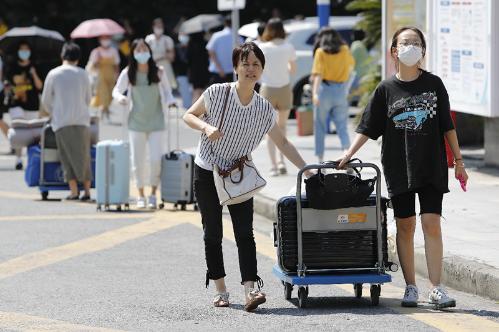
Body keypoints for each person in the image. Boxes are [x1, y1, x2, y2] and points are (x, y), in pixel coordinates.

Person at [337, 26, 469, 309]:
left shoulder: (434, 84)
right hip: (399, 166)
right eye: (405, 42)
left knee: (431, 223)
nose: (412, 47)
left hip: (432, 165)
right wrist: (348, 153)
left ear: (423, 50)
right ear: (394, 51)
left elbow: (447, 124)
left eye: (417, 42)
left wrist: (459, 161)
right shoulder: (386, 89)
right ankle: (411, 287)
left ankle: (437, 288)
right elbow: (368, 127)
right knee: (405, 225)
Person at [183, 42, 312, 311]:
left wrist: (306, 169)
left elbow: (284, 144)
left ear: (262, 69)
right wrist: (206, 127)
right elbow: (189, 115)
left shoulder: (264, 109)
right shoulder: (217, 92)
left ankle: (251, 290)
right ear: (235, 68)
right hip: (207, 170)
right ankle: (220, 290)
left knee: (245, 233)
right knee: (212, 234)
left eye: (256, 64)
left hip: (238, 174)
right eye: (246, 64)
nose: (250, 69)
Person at [113, 39, 176, 209]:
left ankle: (153, 193)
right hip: (136, 123)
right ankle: (140, 194)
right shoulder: (128, 72)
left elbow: (168, 93)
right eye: (138, 50)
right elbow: (116, 90)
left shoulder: (159, 72)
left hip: (157, 122)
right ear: (133, 53)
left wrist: (171, 102)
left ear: (149, 51)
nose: (142, 52)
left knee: (156, 159)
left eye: (144, 49)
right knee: (137, 160)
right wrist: (121, 98)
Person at [41, 42, 92, 201]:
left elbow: (46, 100)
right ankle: (87, 191)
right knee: (84, 156)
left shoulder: (54, 74)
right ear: (78, 57)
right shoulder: (83, 74)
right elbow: (88, 98)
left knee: (66, 156)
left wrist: (53, 111)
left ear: (62, 56)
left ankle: (74, 191)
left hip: (61, 121)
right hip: (81, 120)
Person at [259, 18, 296, 177]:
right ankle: (282, 161)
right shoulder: (289, 47)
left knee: (269, 129)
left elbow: (259, 70)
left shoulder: (263, 47)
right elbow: (292, 70)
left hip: (267, 89)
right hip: (284, 89)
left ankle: (274, 166)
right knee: (283, 128)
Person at [311, 27, 355, 163]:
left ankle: (320, 159)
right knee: (342, 126)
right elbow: (351, 68)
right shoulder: (345, 50)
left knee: (320, 126)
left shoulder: (320, 52)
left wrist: (314, 93)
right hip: (340, 91)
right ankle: (346, 155)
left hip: (324, 90)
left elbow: (318, 75)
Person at [5, 41, 43, 169]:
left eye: (27, 49)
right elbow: (7, 83)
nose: (24, 52)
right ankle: (18, 159)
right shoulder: (11, 67)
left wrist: (33, 73)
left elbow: (40, 86)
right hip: (16, 102)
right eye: (22, 49)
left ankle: (32, 158)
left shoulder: (35, 66)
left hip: (32, 104)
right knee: (19, 130)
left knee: (32, 134)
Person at [86, 35, 120, 119]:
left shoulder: (113, 51)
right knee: (103, 93)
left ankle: (106, 110)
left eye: (107, 38)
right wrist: (97, 60)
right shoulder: (96, 52)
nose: (105, 40)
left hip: (111, 76)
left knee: (110, 95)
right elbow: (92, 66)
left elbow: (116, 65)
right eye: (103, 38)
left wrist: (117, 76)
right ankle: (103, 111)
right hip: (100, 76)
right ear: (100, 40)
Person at [206, 17, 242, 84]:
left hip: (218, 72)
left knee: (216, 93)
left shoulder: (216, 36)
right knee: (232, 93)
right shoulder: (238, 36)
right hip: (233, 71)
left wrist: (219, 69)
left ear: (225, 23)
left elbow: (210, 51)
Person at [145, 18, 177, 89]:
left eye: (161, 27)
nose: (159, 29)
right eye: (158, 27)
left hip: (165, 69)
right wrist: (163, 56)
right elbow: (146, 56)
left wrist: (157, 58)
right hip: (152, 68)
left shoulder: (167, 40)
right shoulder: (148, 39)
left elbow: (172, 58)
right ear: (153, 27)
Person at [187, 32, 210, 104]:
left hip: (194, 71)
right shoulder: (205, 42)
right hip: (204, 70)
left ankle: (194, 111)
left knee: (196, 91)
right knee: (204, 92)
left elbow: (187, 58)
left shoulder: (190, 43)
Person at [173, 33, 192, 109]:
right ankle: (186, 109)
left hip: (191, 74)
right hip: (180, 73)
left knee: (191, 92)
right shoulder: (176, 47)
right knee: (184, 92)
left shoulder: (192, 46)